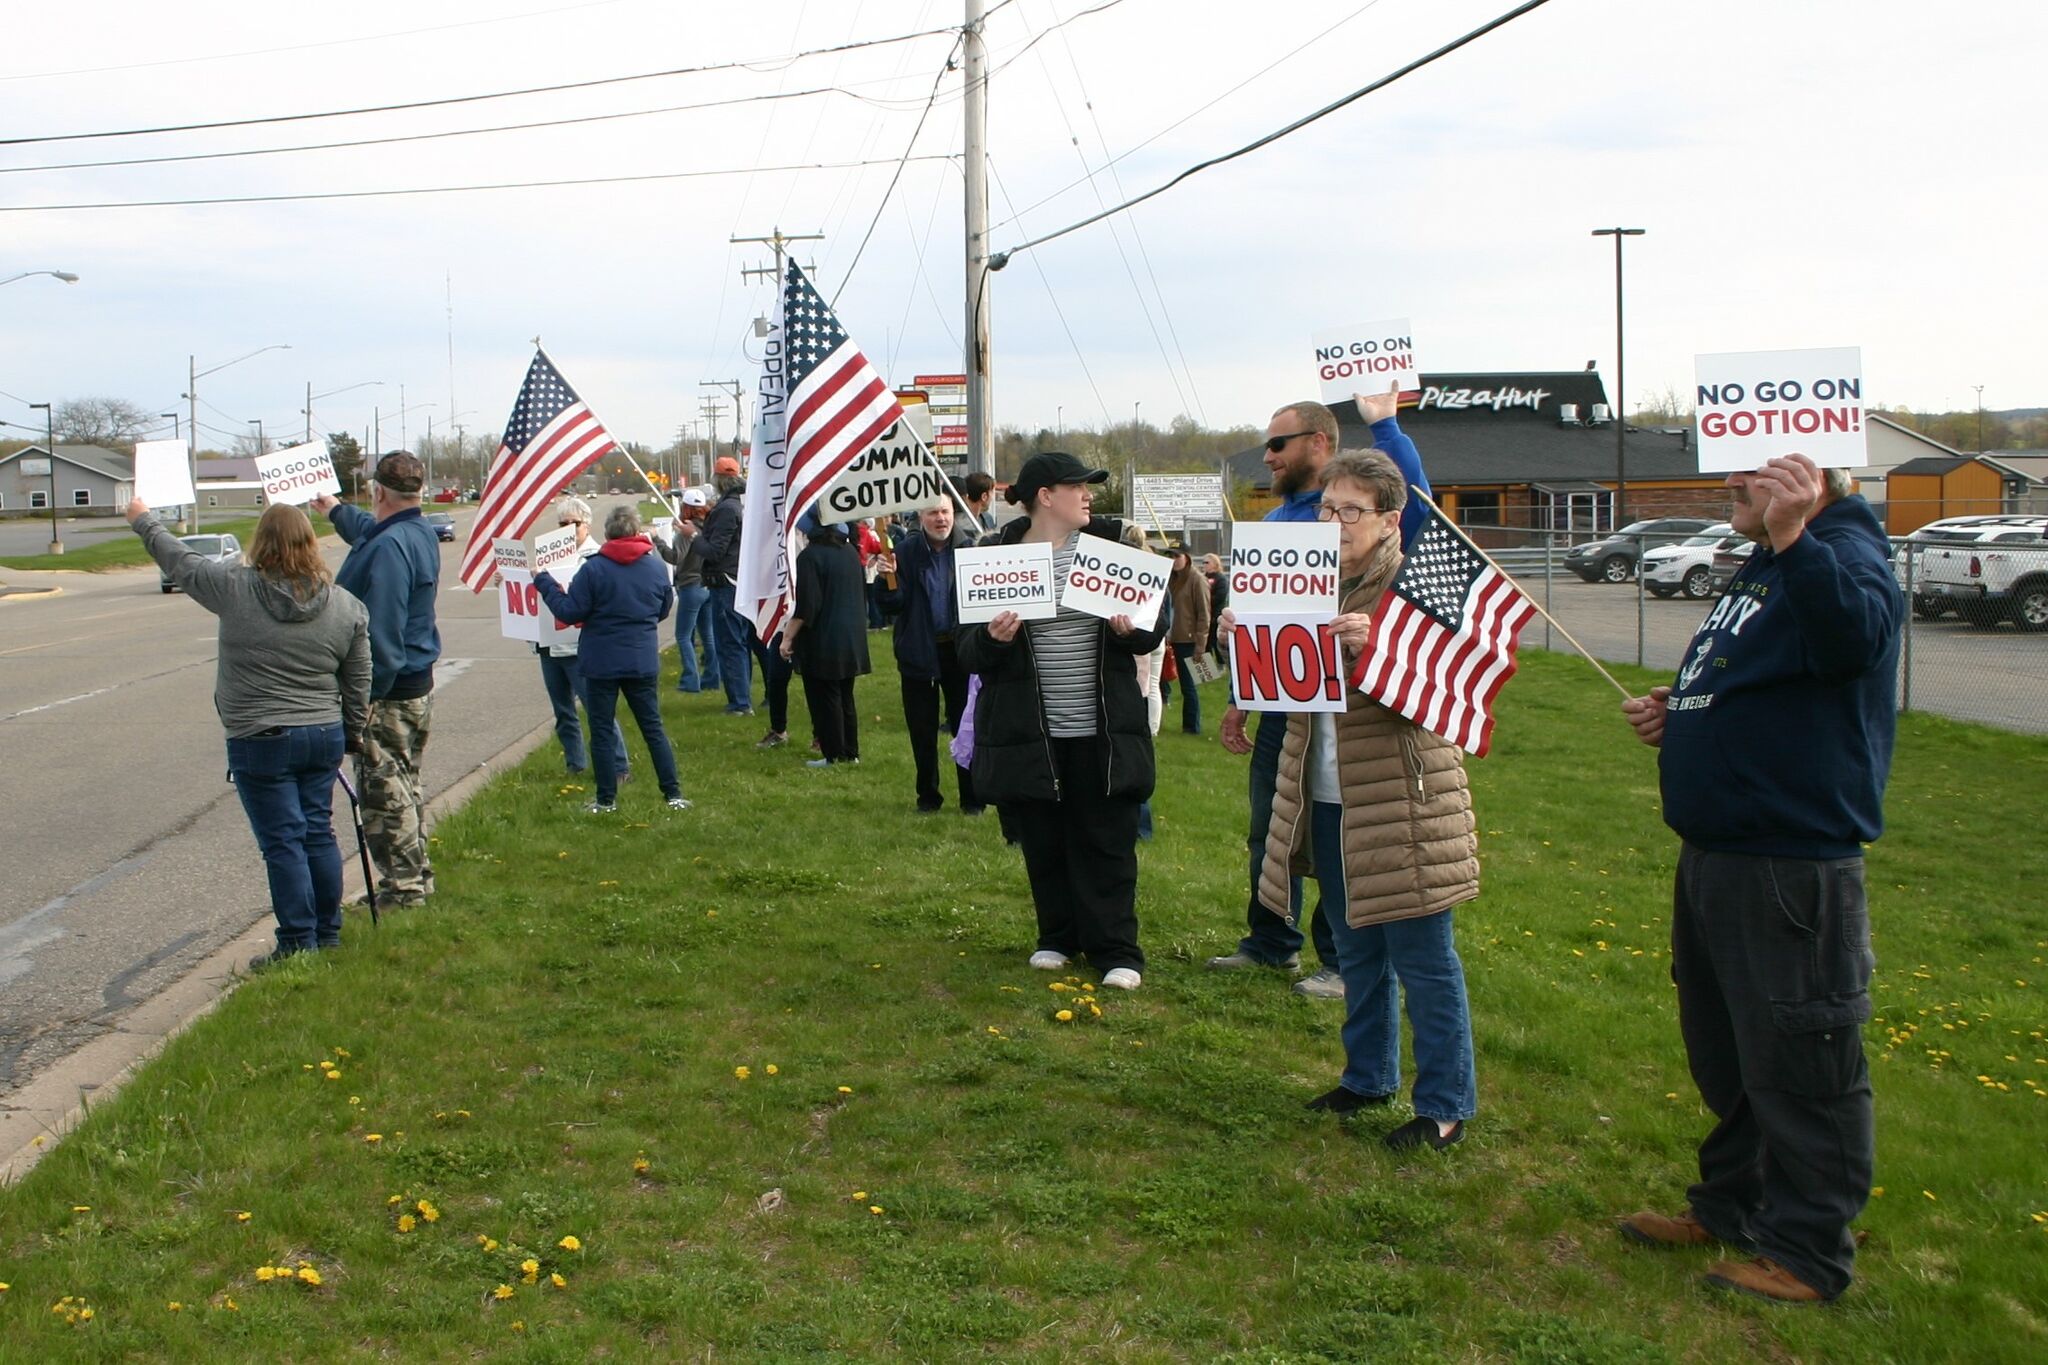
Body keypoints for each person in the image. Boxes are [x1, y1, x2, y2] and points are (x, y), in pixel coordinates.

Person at [1617, 453, 1900, 1304]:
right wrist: (1685, 710)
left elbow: (1853, 641)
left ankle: (1809, 1251)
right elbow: (1772, 679)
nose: (1728, 486)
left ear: (1809, 471)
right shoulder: (1774, 559)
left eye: (1748, 470)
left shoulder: (1843, 550)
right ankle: (1733, 1203)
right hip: (1721, 852)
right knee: (1734, 1054)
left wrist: (1796, 535)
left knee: (1802, 1058)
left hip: (1788, 860)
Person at [1257, 451, 1479, 1151]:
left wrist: (1377, 647)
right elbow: (1290, 684)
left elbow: (1440, 691)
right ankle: (1367, 1077)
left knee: (1424, 958)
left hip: (1403, 801)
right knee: (1355, 951)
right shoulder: (1302, 582)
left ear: (1390, 520)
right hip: (1327, 796)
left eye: (1351, 509)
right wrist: (1250, 641)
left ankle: (1444, 1105)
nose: (1335, 521)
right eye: (1327, 507)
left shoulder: (1417, 587)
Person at [1211, 383, 1431, 997]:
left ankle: (1339, 957)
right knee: (1272, 830)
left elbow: (1415, 503)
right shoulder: (1275, 523)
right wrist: (1239, 696)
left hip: (1352, 709)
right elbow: (1263, 624)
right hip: (1286, 710)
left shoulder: (1366, 516)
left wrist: (1386, 426)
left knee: (1341, 836)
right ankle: (1270, 942)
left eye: (1278, 444)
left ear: (1316, 443)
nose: (1268, 456)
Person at [956, 452, 1171, 990]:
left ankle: (1117, 951)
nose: (1089, 495)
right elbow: (966, 651)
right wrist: (992, 639)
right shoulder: (994, 557)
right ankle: (1056, 937)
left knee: (1107, 842)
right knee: (1043, 841)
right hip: (1031, 733)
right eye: (1078, 486)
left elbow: (1155, 625)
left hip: (1104, 730)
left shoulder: (1113, 549)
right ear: (1046, 497)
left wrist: (1131, 630)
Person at [130, 497, 370, 967]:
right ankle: (327, 933)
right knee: (317, 833)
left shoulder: (234, 589)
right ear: (310, 543)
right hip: (322, 732)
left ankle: (297, 943)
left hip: (261, 736)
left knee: (283, 842)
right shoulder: (346, 606)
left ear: (261, 543)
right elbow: (358, 678)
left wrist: (143, 520)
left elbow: (180, 561)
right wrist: (352, 730)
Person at [312, 453, 441, 910]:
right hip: (415, 682)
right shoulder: (416, 531)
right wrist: (334, 510)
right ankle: (416, 878)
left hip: (388, 690)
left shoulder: (391, 547)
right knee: (404, 785)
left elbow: (383, 628)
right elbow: (371, 530)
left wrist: (364, 697)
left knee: (385, 795)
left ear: (378, 491)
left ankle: (403, 892)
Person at [533, 505, 691, 815]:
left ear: (607, 533)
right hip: (641, 658)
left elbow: (569, 612)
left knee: (602, 730)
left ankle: (606, 800)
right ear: (636, 531)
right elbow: (663, 608)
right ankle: (672, 793)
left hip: (601, 660)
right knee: (652, 727)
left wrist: (545, 583)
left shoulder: (593, 569)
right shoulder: (655, 567)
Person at [879, 499, 983, 813]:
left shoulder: (972, 550)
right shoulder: (904, 553)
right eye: (933, 512)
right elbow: (893, 605)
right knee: (922, 730)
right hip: (918, 650)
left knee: (966, 727)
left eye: (945, 512)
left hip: (960, 652)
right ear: (920, 517)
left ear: (954, 514)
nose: (940, 519)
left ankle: (972, 799)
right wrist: (886, 581)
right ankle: (927, 797)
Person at [537, 496, 628, 781]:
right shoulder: (547, 558)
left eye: (573, 523)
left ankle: (619, 767)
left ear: (586, 525)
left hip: (581, 647)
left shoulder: (597, 558)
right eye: (562, 524)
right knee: (563, 712)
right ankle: (575, 764)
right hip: (550, 645)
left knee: (598, 711)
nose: (567, 529)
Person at [780, 515, 870, 766]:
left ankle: (833, 753)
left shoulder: (810, 557)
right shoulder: (850, 552)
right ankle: (850, 752)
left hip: (823, 637)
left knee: (825, 698)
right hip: (851, 635)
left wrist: (787, 637)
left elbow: (807, 606)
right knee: (845, 696)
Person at [697, 458, 754, 715]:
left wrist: (693, 536)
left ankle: (740, 702)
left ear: (718, 480)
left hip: (725, 582)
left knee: (730, 644)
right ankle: (743, 697)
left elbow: (715, 551)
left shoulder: (726, 509)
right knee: (740, 642)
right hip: (741, 579)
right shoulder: (743, 503)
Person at [656, 488, 721, 694]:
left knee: (683, 636)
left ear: (686, 507)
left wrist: (658, 541)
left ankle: (690, 680)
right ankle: (712, 677)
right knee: (708, 635)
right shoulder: (708, 528)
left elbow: (675, 557)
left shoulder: (687, 531)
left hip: (691, 586)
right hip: (707, 585)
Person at [1164, 548, 1212, 735]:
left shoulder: (1197, 579)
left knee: (1189, 686)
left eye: (1177, 556)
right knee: (1175, 682)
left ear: (1187, 557)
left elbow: (1204, 614)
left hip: (1189, 640)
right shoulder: (1171, 578)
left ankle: (1192, 727)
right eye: (1171, 556)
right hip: (1172, 637)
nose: (1174, 560)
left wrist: (1201, 645)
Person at [1201, 552, 1228, 655]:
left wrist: (1205, 600)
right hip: (1203, 616)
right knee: (1205, 643)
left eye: (1207, 562)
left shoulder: (1221, 578)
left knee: (1215, 642)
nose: (1204, 565)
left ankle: (1221, 661)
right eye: (1203, 562)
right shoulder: (1201, 578)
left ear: (1215, 563)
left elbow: (1220, 596)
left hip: (1215, 615)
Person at [960, 471, 999, 535]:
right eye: (992, 492)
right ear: (984, 496)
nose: (992, 497)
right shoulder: (962, 527)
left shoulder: (988, 519)